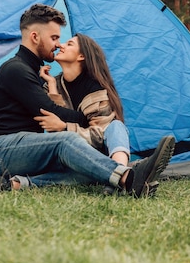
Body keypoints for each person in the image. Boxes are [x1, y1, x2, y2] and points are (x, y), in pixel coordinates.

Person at [0, 3, 175, 197]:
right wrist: (87, 120)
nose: (57, 44)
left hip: (23, 151)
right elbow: (50, 111)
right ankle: (128, 178)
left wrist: (54, 92)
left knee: (84, 166)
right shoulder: (16, 69)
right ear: (35, 37)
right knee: (65, 141)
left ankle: (13, 185)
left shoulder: (35, 71)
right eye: (54, 38)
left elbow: (52, 111)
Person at [36, 33, 130, 168]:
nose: (60, 45)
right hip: (71, 155)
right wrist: (51, 86)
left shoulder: (95, 89)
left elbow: (99, 136)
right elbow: (55, 132)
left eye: (69, 44)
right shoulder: (53, 85)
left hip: (97, 153)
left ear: (81, 56)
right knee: (65, 171)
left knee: (116, 126)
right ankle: (118, 177)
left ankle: (120, 170)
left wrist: (64, 127)